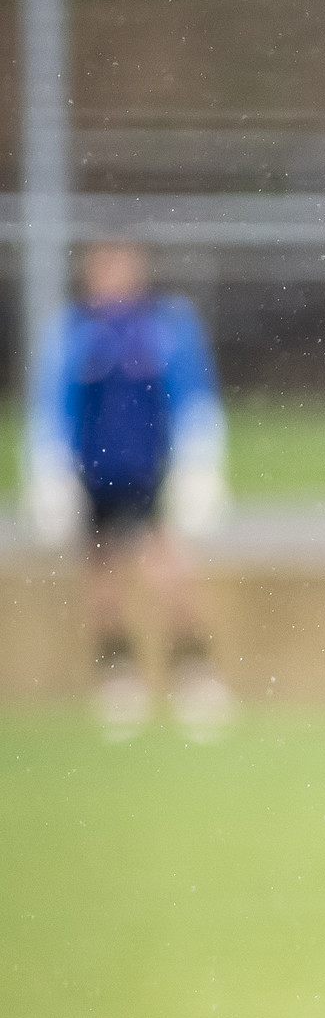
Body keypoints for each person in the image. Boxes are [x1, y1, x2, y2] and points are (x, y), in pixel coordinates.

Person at [26, 239, 232, 741]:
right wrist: (49, 470)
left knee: (169, 570)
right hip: (94, 474)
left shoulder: (165, 325)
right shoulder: (74, 330)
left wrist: (199, 462)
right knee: (103, 579)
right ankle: (117, 672)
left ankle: (192, 667)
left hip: (150, 470)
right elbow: (55, 402)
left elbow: (192, 392)